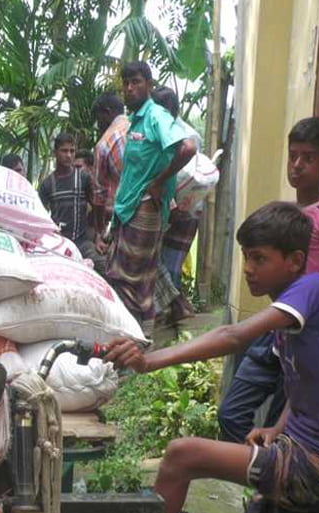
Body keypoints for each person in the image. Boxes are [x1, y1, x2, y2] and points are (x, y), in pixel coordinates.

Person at [104, 202, 319, 513]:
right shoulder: (290, 311)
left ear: (294, 260)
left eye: (259, 258)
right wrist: (277, 428)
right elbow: (306, 379)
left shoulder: (313, 287)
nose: (247, 268)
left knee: (182, 455)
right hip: (314, 455)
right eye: (246, 257)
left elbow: (231, 336)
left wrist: (148, 362)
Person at [218, 118, 319, 443]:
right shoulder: (284, 212)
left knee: (283, 426)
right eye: (293, 155)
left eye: (308, 157)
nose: (297, 165)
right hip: (271, 330)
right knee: (230, 413)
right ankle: (257, 474)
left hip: (301, 335)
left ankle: (269, 487)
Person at [104, 62, 196, 336]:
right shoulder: (137, 119)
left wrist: (158, 183)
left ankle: (137, 340)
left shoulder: (156, 116)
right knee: (138, 281)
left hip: (144, 209)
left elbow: (187, 147)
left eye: (136, 82)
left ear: (149, 84)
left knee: (131, 281)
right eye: (126, 84)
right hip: (127, 209)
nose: (129, 89)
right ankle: (142, 339)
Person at [149, 86, 201, 326]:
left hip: (177, 210)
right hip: (186, 209)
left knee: (165, 263)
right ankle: (178, 309)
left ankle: (179, 309)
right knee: (170, 263)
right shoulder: (186, 131)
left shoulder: (179, 134)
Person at [37, 133, 105, 272]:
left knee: (103, 266)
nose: (69, 155)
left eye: (72, 151)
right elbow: (40, 217)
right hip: (59, 243)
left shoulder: (84, 178)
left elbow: (97, 205)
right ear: (55, 152)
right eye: (64, 151)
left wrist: (98, 236)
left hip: (82, 242)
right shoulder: (47, 184)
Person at [93, 92, 129, 237]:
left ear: (107, 113)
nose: (97, 125)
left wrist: (99, 232)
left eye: (98, 118)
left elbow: (99, 195)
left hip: (128, 216)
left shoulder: (105, 144)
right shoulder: (139, 126)